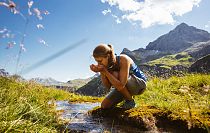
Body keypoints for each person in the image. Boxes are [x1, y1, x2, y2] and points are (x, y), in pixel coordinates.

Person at [90, 44, 147, 109]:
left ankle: (130, 101)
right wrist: (102, 72)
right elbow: (108, 86)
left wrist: (106, 72)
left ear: (108, 56)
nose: (98, 64)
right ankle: (126, 100)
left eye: (100, 61)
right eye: (97, 61)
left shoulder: (123, 59)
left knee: (114, 74)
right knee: (105, 106)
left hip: (139, 85)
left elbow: (121, 85)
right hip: (123, 87)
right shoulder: (107, 65)